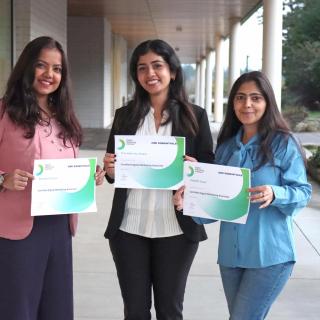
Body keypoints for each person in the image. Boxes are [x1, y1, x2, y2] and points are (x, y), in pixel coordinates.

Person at [173, 71, 312, 319]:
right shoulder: (226, 147)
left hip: (269, 256)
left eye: (255, 98)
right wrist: (191, 197)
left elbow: (302, 193)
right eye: (240, 97)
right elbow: (211, 211)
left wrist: (275, 192)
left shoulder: (284, 142)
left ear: (267, 102)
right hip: (231, 256)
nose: (247, 104)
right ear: (233, 103)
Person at [103, 39, 214, 319]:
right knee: (135, 311)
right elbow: (112, 168)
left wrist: (196, 172)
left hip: (176, 229)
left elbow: (208, 167)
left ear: (173, 72)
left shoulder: (195, 116)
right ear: (136, 75)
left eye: (157, 66)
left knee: (169, 310)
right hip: (129, 227)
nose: (150, 73)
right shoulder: (124, 116)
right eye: (142, 68)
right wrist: (111, 169)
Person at [0, 36, 105, 320]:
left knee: (56, 307)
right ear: (27, 67)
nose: (50, 74)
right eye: (41, 66)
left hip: (59, 224)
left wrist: (88, 175)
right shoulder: (4, 112)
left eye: (57, 69)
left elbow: (63, 164)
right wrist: (3, 179)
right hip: (19, 228)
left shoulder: (64, 116)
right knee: (18, 307)